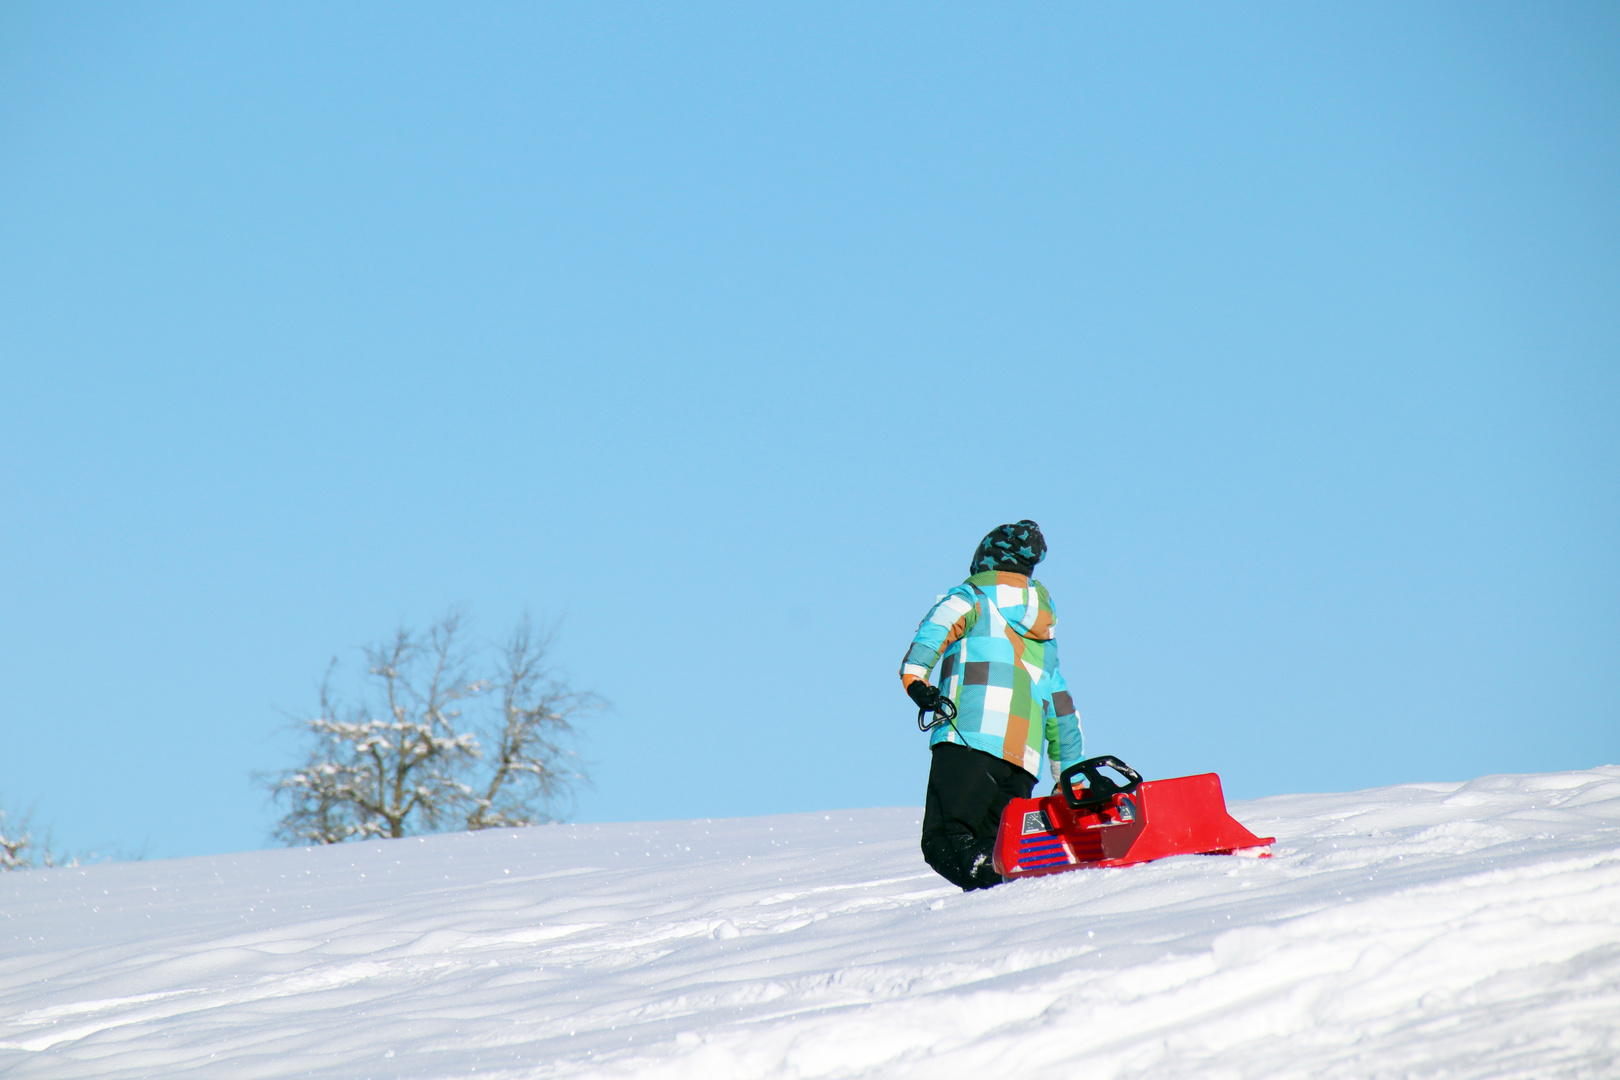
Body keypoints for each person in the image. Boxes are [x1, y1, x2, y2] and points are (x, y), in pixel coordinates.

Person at [900, 520, 1083, 890]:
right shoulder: (1044, 642)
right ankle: (1006, 900)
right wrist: (1068, 775)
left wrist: (915, 677)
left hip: (971, 737)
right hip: (1021, 764)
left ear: (983, 560)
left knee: (946, 840)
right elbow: (1062, 708)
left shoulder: (973, 598)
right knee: (996, 845)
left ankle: (1006, 888)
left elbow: (939, 625)